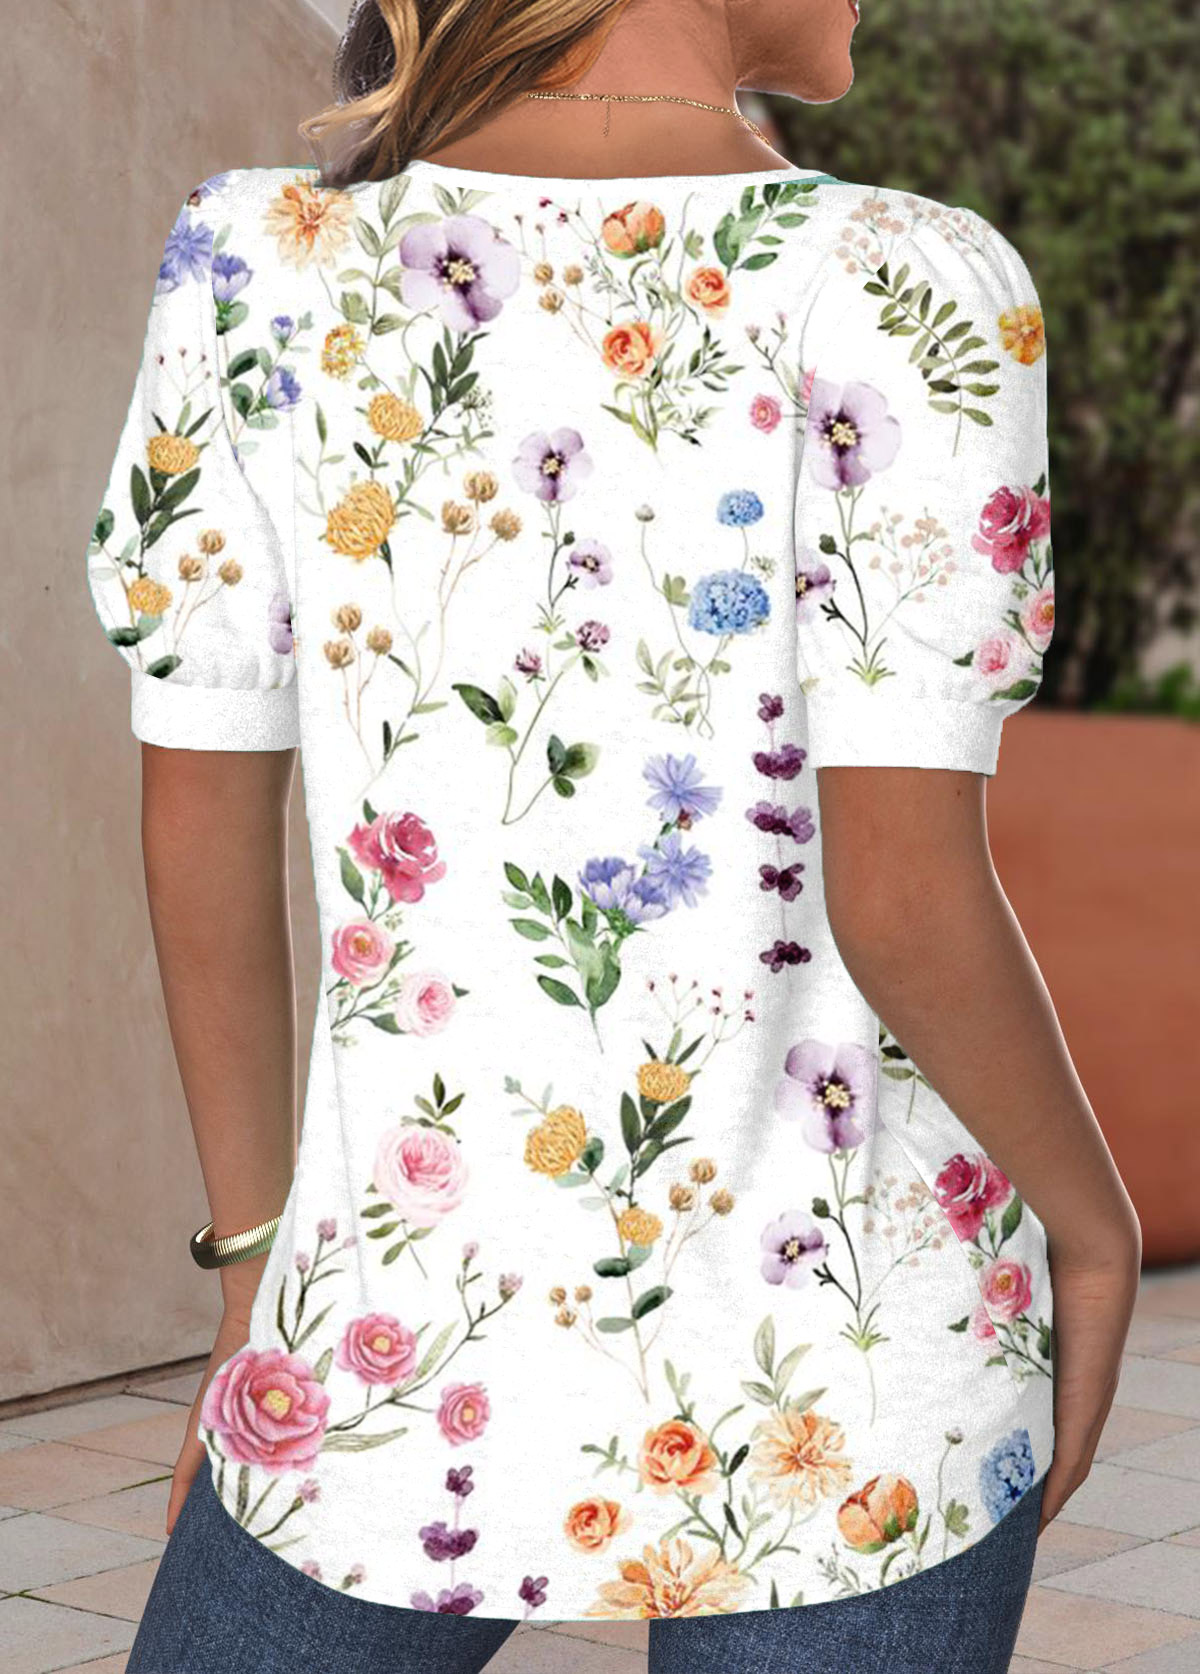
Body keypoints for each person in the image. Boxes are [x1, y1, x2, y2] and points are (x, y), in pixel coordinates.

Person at [87, 1, 1140, 1669]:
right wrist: (1093, 1223)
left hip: (389, 1346)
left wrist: (253, 1266)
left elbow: (201, 810)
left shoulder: (254, 262)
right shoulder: (905, 279)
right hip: (855, 1382)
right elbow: (904, 894)